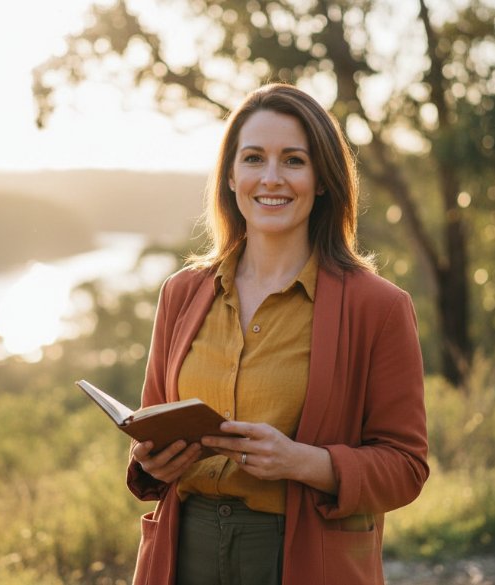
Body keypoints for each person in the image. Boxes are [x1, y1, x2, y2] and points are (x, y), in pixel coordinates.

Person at [127, 83, 429, 585]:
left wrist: (302, 462)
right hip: (184, 554)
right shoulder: (181, 294)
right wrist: (151, 460)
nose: (271, 178)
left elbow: (406, 468)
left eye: (293, 160)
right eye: (253, 159)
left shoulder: (378, 307)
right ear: (230, 175)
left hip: (302, 557)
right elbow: (152, 432)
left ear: (323, 178)